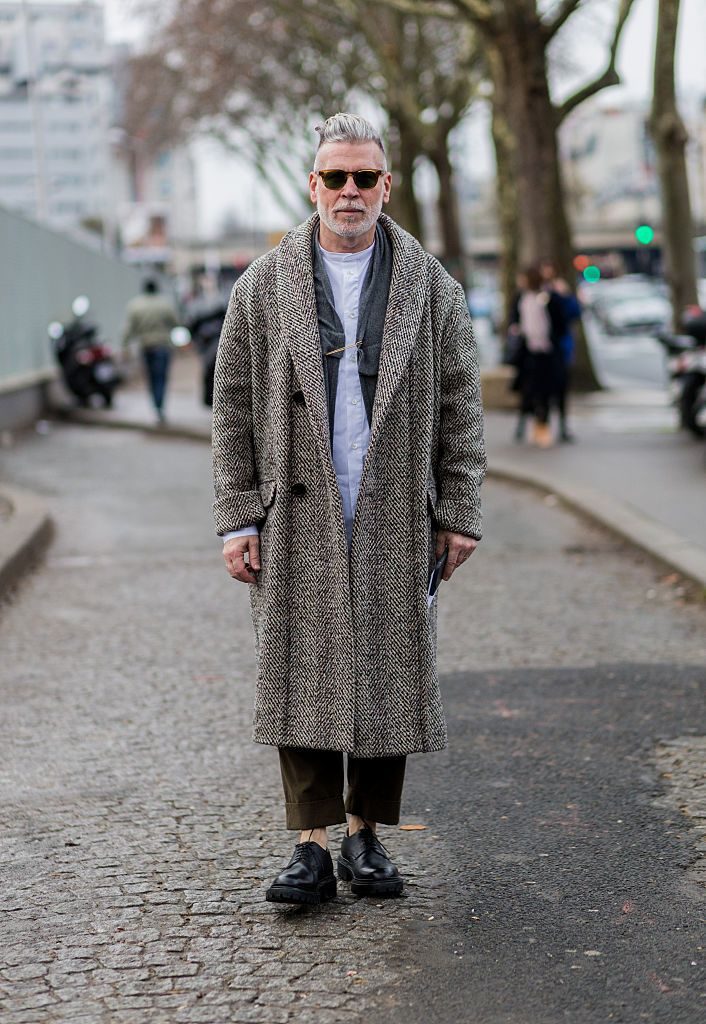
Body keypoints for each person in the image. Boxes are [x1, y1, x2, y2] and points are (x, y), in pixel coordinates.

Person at [212, 113, 486, 905]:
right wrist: (238, 515)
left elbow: (461, 405)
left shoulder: (432, 286)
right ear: (313, 185)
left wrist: (458, 507)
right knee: (298, 667)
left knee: (385, 668)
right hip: (294, 509)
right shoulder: (261, 286)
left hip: (397, 505)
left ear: (386, 185)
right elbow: (231, 408)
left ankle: (367, 835)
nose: (350, 192)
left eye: (365, 178)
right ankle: (309, 845)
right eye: (336, 178)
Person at [509, 267, 568, 448]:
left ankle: (547, 427)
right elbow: (516, 320)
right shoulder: (521, 298)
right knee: (530, 392)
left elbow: (562, 321)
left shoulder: (549, 297)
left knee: (549, 392)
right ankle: (533, 427)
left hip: (548, 352)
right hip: (529, 353)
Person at [122, 279, 178, 423]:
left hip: (145, 346)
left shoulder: (135, 305)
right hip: (162, 345)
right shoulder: (165, 304)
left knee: (151, 377)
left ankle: (155, 405)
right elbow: (176, 323)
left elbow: (128, 329)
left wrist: (125, 346)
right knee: (161, 377)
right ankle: (160, 407)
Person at [540, 261, 581, 442]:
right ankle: (543, 427)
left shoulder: (559, 293)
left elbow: (573, 314)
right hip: (541, 352)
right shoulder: (537, 296)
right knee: (542, 391)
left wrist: (565, 295)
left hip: (560, 349)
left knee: (561, 388)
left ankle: (562, 426)